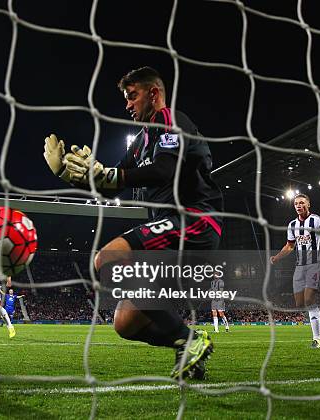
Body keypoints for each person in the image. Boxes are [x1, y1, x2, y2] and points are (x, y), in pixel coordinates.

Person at [43, 66, 223, 379]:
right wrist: (71, 176)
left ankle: (187, 340)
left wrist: (108, 174)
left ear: (154, 93)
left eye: (132, 95)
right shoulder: (139, 142)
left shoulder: (171, 121)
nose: (128, 105)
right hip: (168, 232)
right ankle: (188, 345)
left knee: (109, 257)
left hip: (195, 221)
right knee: (125, 323)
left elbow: (165, 170)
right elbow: (112, 181)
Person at [270, 193, 320, 348]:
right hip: (300, 266)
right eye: (296, 203)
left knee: (309, 299)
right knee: (300, 303)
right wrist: (277, 257)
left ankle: (317, 339)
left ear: (308, 204)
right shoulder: (292, 225)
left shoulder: (316, 221)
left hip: (315, 263)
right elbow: (290, 246)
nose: (299, 205)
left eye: (302, 203)